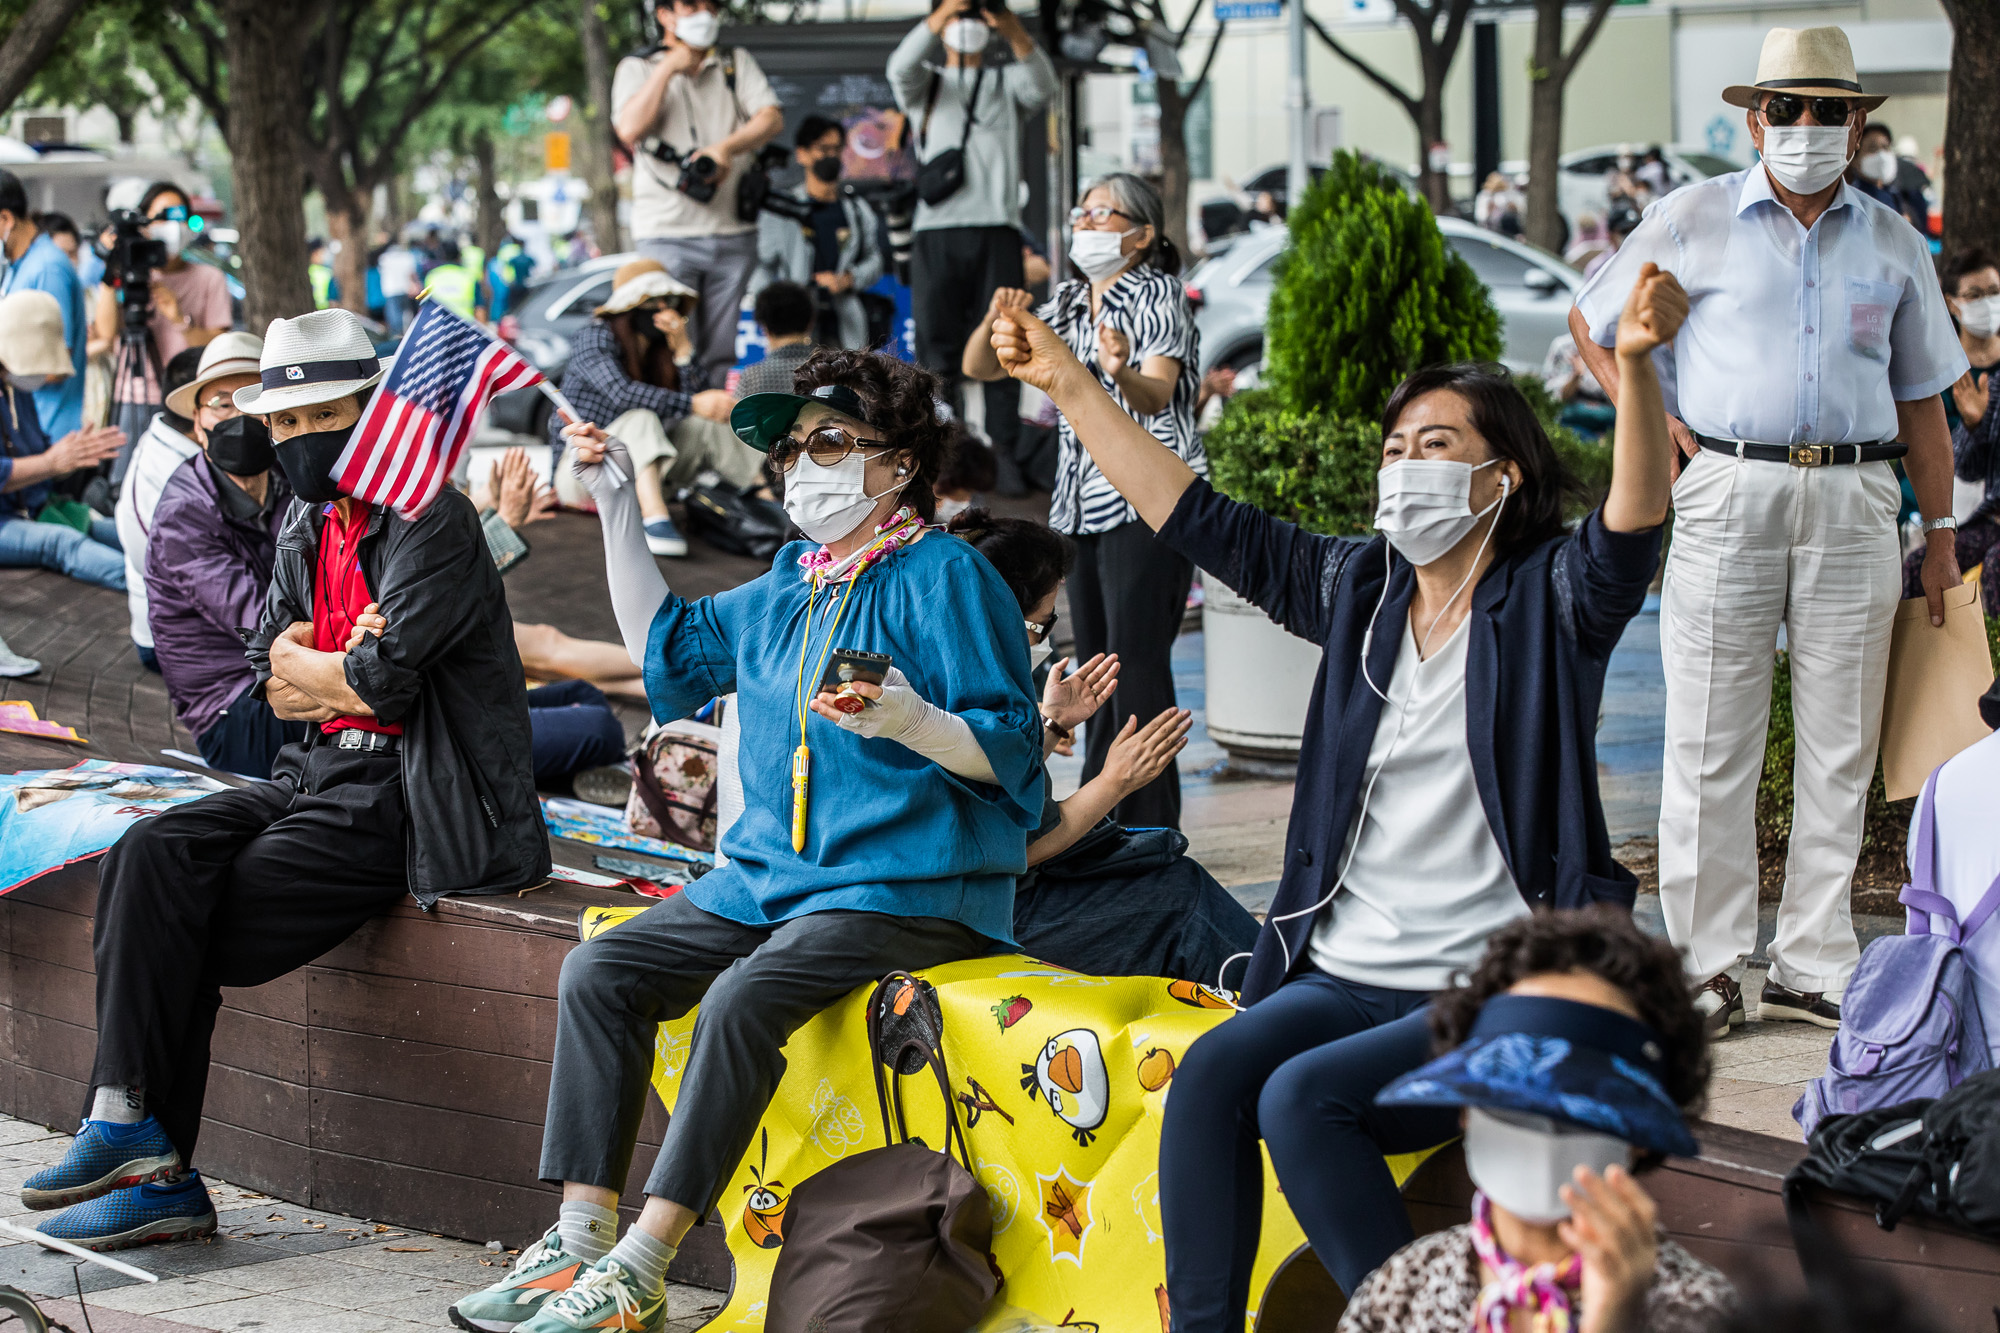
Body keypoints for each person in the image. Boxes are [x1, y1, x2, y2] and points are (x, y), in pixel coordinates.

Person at [988, 247, 1687, 1317]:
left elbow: (1632, 524)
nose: (1405, 464)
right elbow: (1194, 516)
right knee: (1212, 1077)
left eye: (1436, 444)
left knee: (1303, 1097)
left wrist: (1634, 367)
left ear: (1501, 477)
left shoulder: (1551, 598)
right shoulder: (1358, 586)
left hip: (1493, 984)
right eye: (1394, 446)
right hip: (1343, 971)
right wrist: (1068, 383)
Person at [452, 350, 1043, 1332]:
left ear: (899, 462)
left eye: (830, 441)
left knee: (740, 998)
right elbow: (664, 647)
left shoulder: (949, 576)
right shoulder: (786, 582)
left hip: (906, 885)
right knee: (602, 970)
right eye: (792, 449)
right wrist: (614, 502)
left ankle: (643, 1265)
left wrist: (914, 721)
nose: (802, 465)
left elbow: (1015, 751)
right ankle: (580, 1242)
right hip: (770, 881)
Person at [18, 308, 546, 1250]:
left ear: (369, 411)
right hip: (310, 770)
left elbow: (381, 685)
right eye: (287, 421)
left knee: (181, 923)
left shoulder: (431, 515)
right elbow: (269, 664)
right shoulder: (308, 515)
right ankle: (122, 1118)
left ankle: (161, 1173)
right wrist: (329, 666)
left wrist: (328, 667)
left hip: (414, 793)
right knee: (150, 852)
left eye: (322, 416)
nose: (299, 437)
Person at [1569, 25, 1968, 1037]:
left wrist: (1940, 535)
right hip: (1728, 485)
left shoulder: (1892, 241)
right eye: (1784, 108)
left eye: (1827, 109)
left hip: (1855, 494)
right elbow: (1592, 320)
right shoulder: (1690, 216)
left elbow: (1924, 402)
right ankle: (1703, 967)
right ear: (1753, 121)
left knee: (1841, 740)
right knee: (1709, 738)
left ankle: (1813, 960)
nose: (1804, 126)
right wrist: (1652, 415)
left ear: (1857, 123)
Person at [1340, 909, 1733, 1333]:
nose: (1545, 1125)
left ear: (1639, 1131)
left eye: (1584, 1100)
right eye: (1513, 1097)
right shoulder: (1404, 1288)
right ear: (1467, 1109)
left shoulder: (1704, 1313)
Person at [966, 171, 1202, 830]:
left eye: (1103, 213)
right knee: (1098, 670)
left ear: (1143, 234)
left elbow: (1157, 394)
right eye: (1082, 212)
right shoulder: (1069, 300)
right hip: (1082, 503)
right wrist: (995, 318)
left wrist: (1119, 368)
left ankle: (1150, 827)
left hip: (1148, 498)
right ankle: (1105, 815)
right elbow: (980, 368)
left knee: (1138, 665)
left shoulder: (1157, 293)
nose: (1086, 223)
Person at [952, 509, 1261, 982]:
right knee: (1182, 899)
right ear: (1001, 615)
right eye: (1042, 624)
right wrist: (1115, 781)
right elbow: (1015, 849)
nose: (1045, 637)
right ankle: (1288, 1005)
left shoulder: (951, 671)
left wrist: (1052, 724)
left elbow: (991, 785)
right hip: (989, 921)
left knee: (1159, 866)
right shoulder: (965, 700)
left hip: (985, 902)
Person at [889, 0, 1056, 499]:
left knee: (1006, 337)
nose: (967, 23)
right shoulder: (928, 84)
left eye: (973, 13)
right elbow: (899, 67)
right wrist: (945, 13)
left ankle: (1003, 454)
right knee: (936, 348)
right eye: (958, 14)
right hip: (936, 231)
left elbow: (1044, 85)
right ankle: (945, 451)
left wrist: (1008, 25)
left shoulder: (1007, 83)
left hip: (998, 229)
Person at [612, 0, 784, 384]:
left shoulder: (734, 61)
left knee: (720, 351)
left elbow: (772, 117)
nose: (704, 15)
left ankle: (711, 416)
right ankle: (677, 416)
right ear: (665, 15)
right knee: (666, 343)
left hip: (732, 229)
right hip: (667, 231)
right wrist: (667, 68)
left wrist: (724, 150)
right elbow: (629, 128)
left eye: (710, 6)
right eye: (691, 6)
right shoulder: (637, 67)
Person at [546, 258, 761, 557]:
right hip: (584, 472)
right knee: (642, 417)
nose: (663, 309)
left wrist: (683, 349)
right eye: (652, 302)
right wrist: (693, 403)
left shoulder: (660, 348)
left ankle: (765, 497)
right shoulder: (594, 337)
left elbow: (702, 404)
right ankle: (655, 517)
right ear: (628, 307)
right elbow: (622, 393)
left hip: (641, 474)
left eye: (669, 301)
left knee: (707, 424)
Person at [147, 410, 307, 782]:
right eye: (222, 404)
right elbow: (263, 622)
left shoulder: (285, 477)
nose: (237, 418)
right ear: (199, 425)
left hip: (282, 670)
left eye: (246, 401)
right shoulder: (184, 514)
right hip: (230, 708)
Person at [0, 290, 125, 587]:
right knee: (63, 542)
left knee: (118, 530)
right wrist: (50, 463)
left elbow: (38, 450)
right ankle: (155, 594)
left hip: (35, 508)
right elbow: (40, 462)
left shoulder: (16, 388)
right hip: (8, 522)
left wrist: (70, 457)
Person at [1903, 248, 2000, 616]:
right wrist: (1974, 426)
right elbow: (1966, 466)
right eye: (1975, 295)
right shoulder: (1942, 369)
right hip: (1976, 512)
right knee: (1917, 566)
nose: (1987, 303)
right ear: (1952, 304)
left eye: (1994, 292)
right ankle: (1931, 650)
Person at [114, 344, 213, 669]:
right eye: (225, 401)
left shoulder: (163, 434)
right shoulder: (181, 479)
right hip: (172, 644)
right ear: (194, 408)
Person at [751, 115, 884, 350]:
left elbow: (874, 260)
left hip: (845, 322)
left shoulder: (856, 210)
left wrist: (849, 279)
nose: (831, 156)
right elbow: (762, 266)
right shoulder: (783, 210)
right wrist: (770, 310)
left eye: (836, 149)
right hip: (795, 325)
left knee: (849, 372)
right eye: (823, 149)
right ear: (802, 154)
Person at [0, 170, 89, 439]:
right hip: (29, 425)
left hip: (49, 428)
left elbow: (56, 364)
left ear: (6, 219)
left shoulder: (48, 268)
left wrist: (5, 374)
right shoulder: (19, 265)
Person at [735, 279, 817, 399]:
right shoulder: (827, 372)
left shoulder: (751, 378)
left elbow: (737, 410)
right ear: (810, 323)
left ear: (764, 328)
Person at [1854, 122, 1927, 232]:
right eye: (1872, 148)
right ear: (1855, 160)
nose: (1881, 155)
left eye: (1885, 147)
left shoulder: (1897, 194)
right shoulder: (1854, 200)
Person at [424, 239, 480, 319]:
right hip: (465, 324)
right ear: (459, 256)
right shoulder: (470, 277)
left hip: (439, 324)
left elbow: (424, 309)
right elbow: (479, 310)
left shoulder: (431, 277)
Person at [377, 237, 419, 334]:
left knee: (394, 314)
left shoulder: (384, 258)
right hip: (405, 288)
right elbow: (412, 273)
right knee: (406, 313)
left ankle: (397, 334)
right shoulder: (407, 256)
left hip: (391, 290)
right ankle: (407, 332)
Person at [307, 238, 337, 310]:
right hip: (325, 310)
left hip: (309, 310)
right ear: (315, 253)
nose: (324, 255)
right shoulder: (327, 273)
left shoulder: (306, 271)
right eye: (322, 252)